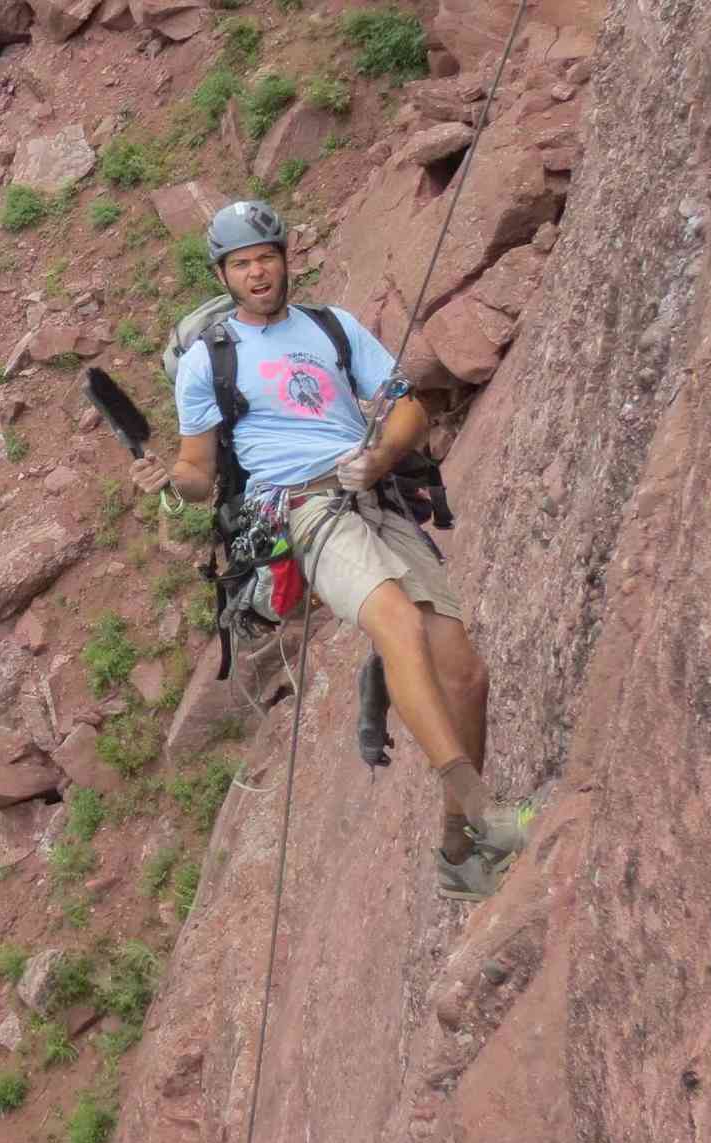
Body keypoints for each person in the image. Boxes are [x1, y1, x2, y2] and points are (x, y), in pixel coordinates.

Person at [131, 199, 541, 900]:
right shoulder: (210, 360)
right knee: (396, 621)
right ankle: (482, 810)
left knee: (466, 673)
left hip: (374, 493)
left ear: (285, 258)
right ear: (223, 275)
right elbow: (200, 471)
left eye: (265, 257)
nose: (257, 272)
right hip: (306, 509)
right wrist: (172, 480)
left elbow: (406, 404)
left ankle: (456, 848)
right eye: (241, 264)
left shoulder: (332, 327)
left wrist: (380, 458)